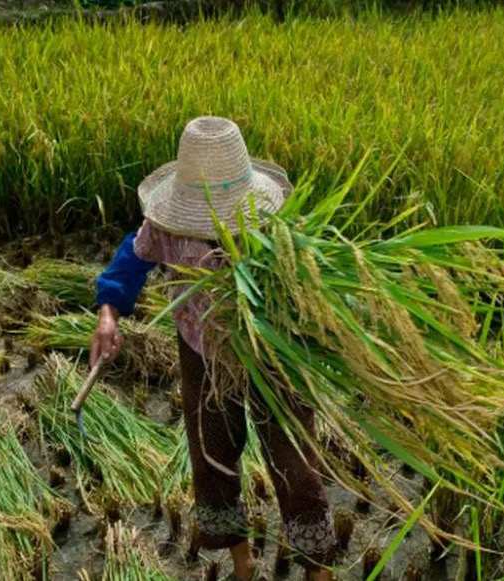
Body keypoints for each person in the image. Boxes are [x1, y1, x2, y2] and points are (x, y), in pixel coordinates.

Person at [89, 116, 336, 581]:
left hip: (272, 354)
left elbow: (313, 286)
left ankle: (318, 569)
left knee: (295, 465)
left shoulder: (276, 227)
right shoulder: (166, 228)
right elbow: (130, 259)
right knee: (212, 457)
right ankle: (242, 560)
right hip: (202, 353)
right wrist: (108, 314)